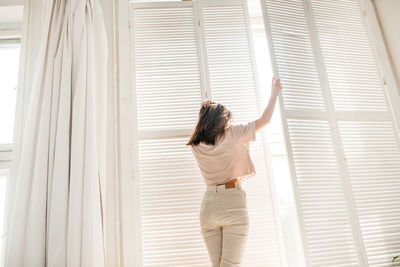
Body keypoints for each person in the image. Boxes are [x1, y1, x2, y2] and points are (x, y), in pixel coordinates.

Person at [186, 77, 283, 266]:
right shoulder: (233, 135)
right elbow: (266, 119)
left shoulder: (196, 144)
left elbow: (201, 128)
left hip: (207, 207)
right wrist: (273, 95)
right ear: (222, 121)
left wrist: (203, 111)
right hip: (232, 202)